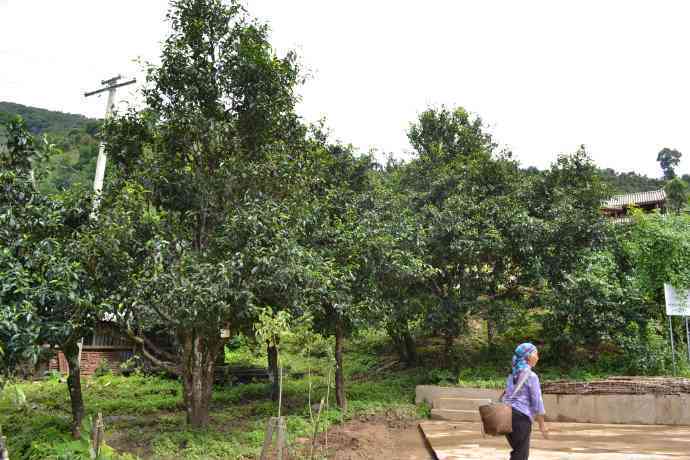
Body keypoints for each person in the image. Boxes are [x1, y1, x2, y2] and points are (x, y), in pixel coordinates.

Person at [502, 342, 548, 460]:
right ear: (528, 356)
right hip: (521, 417)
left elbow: (506, 395)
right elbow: (537, 402)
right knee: (521, 454)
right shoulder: (531, 376)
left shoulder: (512, 375)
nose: (537, 357)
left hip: (506, 415)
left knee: (518, 451)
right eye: (536, 354)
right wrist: (542, 425)